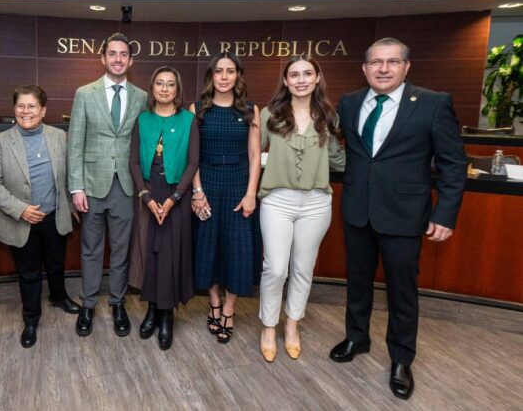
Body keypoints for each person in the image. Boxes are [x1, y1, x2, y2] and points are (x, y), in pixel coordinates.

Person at [329, 38, 466, 400]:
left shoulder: (433, 103)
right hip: (357, 210)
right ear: (365, 68)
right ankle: (356, 337)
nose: (383, 69)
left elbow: (453, 164)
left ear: (407, 67)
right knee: (357, 282)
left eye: (392, 62)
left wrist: (445, 213)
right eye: (376, 62)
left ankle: (401, 359)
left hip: (405, 215)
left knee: (402, 292)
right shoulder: (350, 102)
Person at [257, 55, 345, 362]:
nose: (301, 80)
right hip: (277, 200)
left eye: (308, 73)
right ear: (285, 81)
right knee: (275, 268)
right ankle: (269, 326)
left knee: (303, 268)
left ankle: (292, 325)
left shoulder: (328, 115)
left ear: (317, 78)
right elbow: (254, 155)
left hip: (316, 203)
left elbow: (336, 159)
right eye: (294, 75)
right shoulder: (269, 114)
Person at [0, 85, 81, 348]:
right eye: (21, 106)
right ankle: (31, 319)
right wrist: (21, 209)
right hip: (21, 219)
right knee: (28, 273)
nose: (26, 111)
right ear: (14, 109)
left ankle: (59, 297)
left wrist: (71, 205)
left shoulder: (58, 136)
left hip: (54, 216)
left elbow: (68, 174)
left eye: (32, 106)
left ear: (43, 110)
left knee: (56, 264)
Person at [67, 33, 147, 337]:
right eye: (112, 53)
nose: (118, 59)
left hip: (125, 186)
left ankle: (117, 302)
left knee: (121, 250)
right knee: (91, 249)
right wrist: (76, 187)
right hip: (91, 186)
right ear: (103, 58)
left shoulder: (141, 97)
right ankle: (88, 304)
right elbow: (75, 142)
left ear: (130, 60)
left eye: (123, 54)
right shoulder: (84, 93)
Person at [190, 52, 261, 344]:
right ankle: (214, 302)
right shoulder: (198, 109)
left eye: (230, 71)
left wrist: (251, 194)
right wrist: (197, 192)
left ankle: (229, 309)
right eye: (218, 71)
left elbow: (255, 155)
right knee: (207, 247)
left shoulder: (250, 109)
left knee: (237, 250)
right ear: (211, 75)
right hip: (206, 185)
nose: (223, 76)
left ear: (237, 76)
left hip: (238, 187)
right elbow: (191, 156)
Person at [129, 66, 199, 350]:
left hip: (176, 196)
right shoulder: (143, 119)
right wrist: (146, 197)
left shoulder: (188, 120)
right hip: (148, 193)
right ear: (152, 88)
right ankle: (152, 309)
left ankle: (167, 313)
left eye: (171, 84)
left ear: (177, 89)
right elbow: (134, 162)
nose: (165, 89)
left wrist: (174, 198)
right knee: (150, 253)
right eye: (160, 83)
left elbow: (193, 162)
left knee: (171, 254)